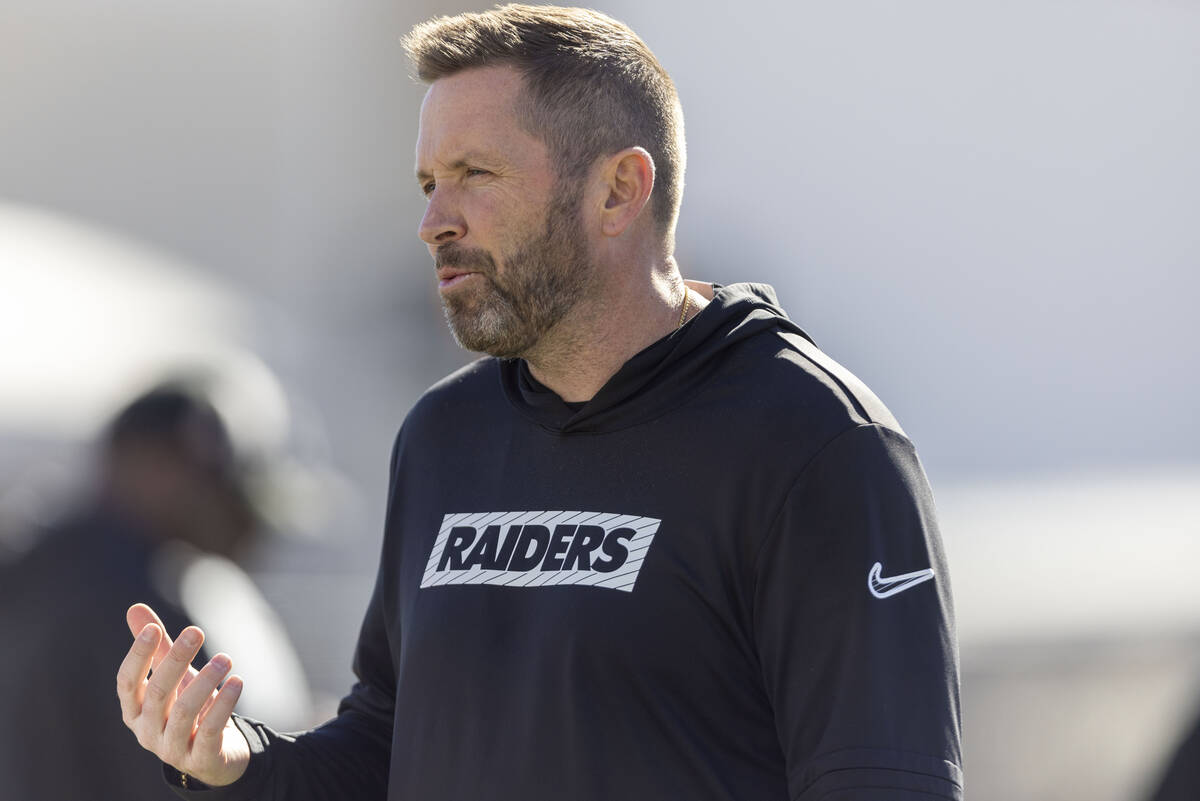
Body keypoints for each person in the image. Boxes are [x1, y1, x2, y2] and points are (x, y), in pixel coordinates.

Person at [115, 6, 963, 800]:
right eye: (427, 183)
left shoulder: (817, 445)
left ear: (620, 191)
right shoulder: (444, 435)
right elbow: (386, 738)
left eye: (475, 174)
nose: (434, 221)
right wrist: (239, 762)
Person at [0, 385, 256, 800]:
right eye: (205, 474)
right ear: (141, 461)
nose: (220, 497)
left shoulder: (34, 562)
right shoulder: (142, 599)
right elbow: (178, 777)